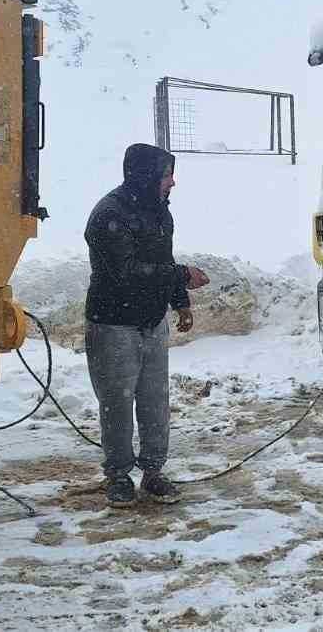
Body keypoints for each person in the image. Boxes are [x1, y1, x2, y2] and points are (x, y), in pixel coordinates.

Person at [84, 143, 209, 508]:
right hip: (114, 324)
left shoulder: (159, 213)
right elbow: (125, 273)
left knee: (155, 400)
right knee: (117, 403)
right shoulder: (109, 214)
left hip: (152, 322)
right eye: (168, 174)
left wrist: (180, 302)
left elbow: (161, 261)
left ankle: (153, 471)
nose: (173, 182)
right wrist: (183, 275)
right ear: (147, 175)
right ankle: (119, 475)